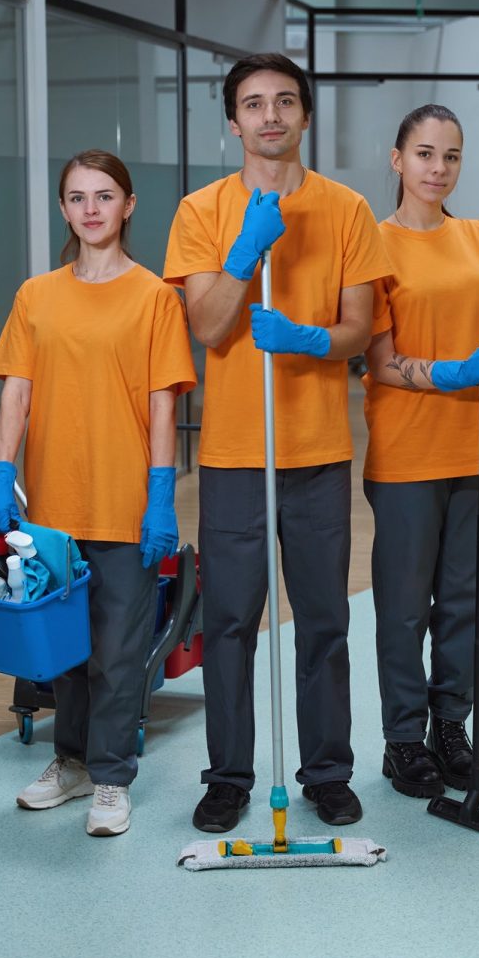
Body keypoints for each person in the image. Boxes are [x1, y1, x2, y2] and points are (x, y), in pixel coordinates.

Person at [164, 53, 392, 833]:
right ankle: (228, 776)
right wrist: (243, 253)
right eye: (254, 104)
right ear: (233, 121)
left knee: (324, 620)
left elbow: (358, 329)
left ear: (303, 115)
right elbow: (208, 325)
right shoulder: (200, 212)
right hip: (233, 456)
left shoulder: (348, 209)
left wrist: (306, 339)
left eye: (285, 102)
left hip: (319, 452)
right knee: (229, 622)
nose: (270, 116)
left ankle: (327, 771)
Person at [0, 150, 196, 836]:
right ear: (64, 209)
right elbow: (18, 388)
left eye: (105, 196)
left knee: (117, 650)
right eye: (77, 198)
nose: (92, 209)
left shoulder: (155, 297)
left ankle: (110, 778)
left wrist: (160, 496)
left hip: (127, 503)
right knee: (64, 651)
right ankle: (70, 765)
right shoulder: (36, 296)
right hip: (53, 506)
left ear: (128, 206)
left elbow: (163, 404)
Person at [363, 104, 479, 798]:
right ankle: (403, 740)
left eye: (452, 157)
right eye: (425, 154)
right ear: (397, 159)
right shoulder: (374, 245)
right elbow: (378, 361)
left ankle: (450, 728)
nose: (438, 169)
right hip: (409, 454)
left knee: (465, 603)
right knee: (405, 607)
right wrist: (446, 373)